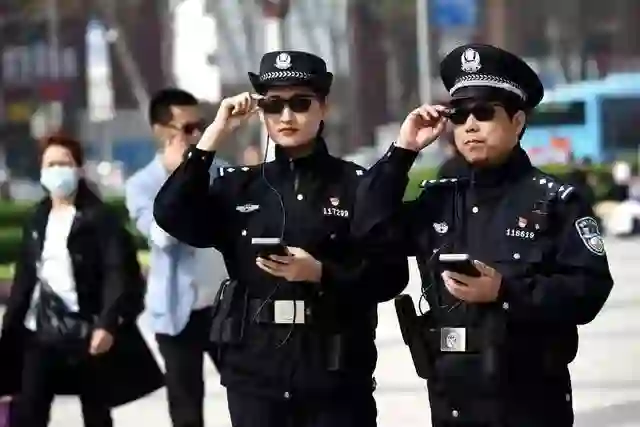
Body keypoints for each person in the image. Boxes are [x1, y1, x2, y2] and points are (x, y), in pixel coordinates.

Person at [352, 44, 614, 427]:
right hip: (452, 403)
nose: (470, 125)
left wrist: (505, 292)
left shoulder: (555, 201)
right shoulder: (439, 200)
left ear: (517, 121)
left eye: (484, 112)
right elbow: (368, 228)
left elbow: (589, 291)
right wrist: (402, 151)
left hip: (531, 403)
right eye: (459, 116)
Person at [153, 50, 408, 427]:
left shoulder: (356, 185)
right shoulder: (239, 186)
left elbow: (390, 275)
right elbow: (169, 213)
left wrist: (320, 272)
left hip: (334, 373)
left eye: (300, 103)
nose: (286, 116)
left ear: (324, 107)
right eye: (273, 105)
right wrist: (214, 135)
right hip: (256, 375)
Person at [0, 134, 163, 427]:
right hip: (40, 332)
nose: (57, 171)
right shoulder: (37, 218)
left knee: (96, 413)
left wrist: (107, 324)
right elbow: (25, 278)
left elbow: (117, 273)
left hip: (88, 333)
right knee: (29, 411)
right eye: (50, 164)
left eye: (64, 163)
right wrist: (10, 328)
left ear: (78, 169)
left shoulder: (100, 218)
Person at [125, 88, 228, 427]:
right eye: (187, 128)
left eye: (201, 126)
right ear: (161, 131)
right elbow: (161, 237)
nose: (197, 135)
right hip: (175, 311)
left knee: (250, 393)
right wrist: (180, 179)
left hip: (225, 306)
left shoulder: (221, 172)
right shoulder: (142, 185)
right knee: (186, 407)